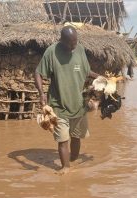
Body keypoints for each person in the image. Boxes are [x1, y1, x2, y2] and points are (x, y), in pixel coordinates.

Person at [34, 26, 99, 175]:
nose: (73, 46)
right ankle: (65, 168)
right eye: (70, 43)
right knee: (63, 140)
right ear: (62, 41)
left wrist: (100, 78)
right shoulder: (51, 52)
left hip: (79, 104)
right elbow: (38, 73)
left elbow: (86, 71)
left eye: (75, 42)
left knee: (76, 137)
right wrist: (41, 93)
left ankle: (73, 161)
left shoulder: (80, 49)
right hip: (59, 105)